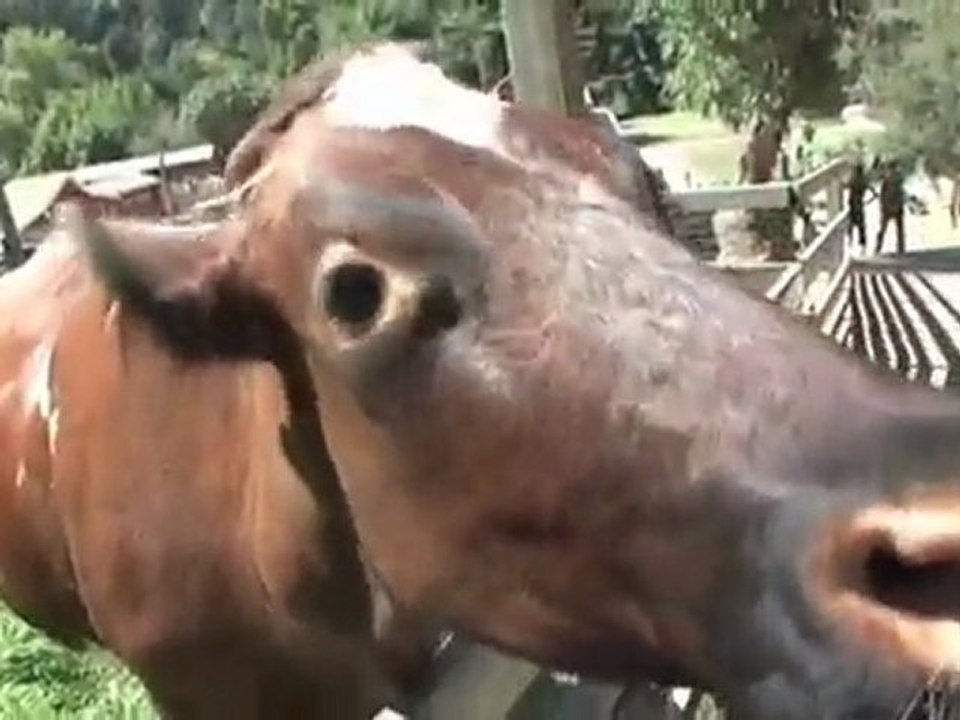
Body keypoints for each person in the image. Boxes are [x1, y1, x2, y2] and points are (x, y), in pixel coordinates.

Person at [876, 159, 906, 254]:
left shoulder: (887, 180)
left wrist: (883, 206)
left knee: (883, 229)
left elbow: (882, 195)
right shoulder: (898, 179)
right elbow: (900, 194)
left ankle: (878, 248)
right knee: (899, 229)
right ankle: (900, 248)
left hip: (888, 207)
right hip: (896, 206)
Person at [846, 159, 876, 250]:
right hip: (859, 203)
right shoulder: (863, 181)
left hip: (852, 204)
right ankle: (862, 245)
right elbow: (875, 194)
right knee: (861, 226)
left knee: (851, 225)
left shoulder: (853, 180)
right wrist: (867, 202)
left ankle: (850, 244)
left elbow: (845, 186)